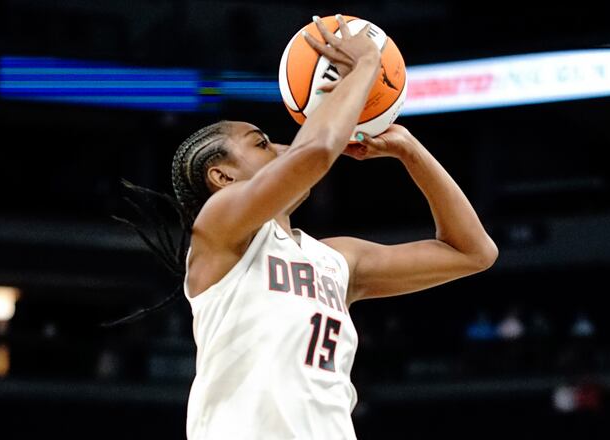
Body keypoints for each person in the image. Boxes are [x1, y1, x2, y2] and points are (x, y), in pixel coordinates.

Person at [118, 15, 497, 439]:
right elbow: (316, 151)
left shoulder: (336, 260)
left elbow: (473, 252)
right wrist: (366, 64)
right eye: (261, 143)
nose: (282, 147)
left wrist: (410, 150)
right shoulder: (219, 228)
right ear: (222, 177)